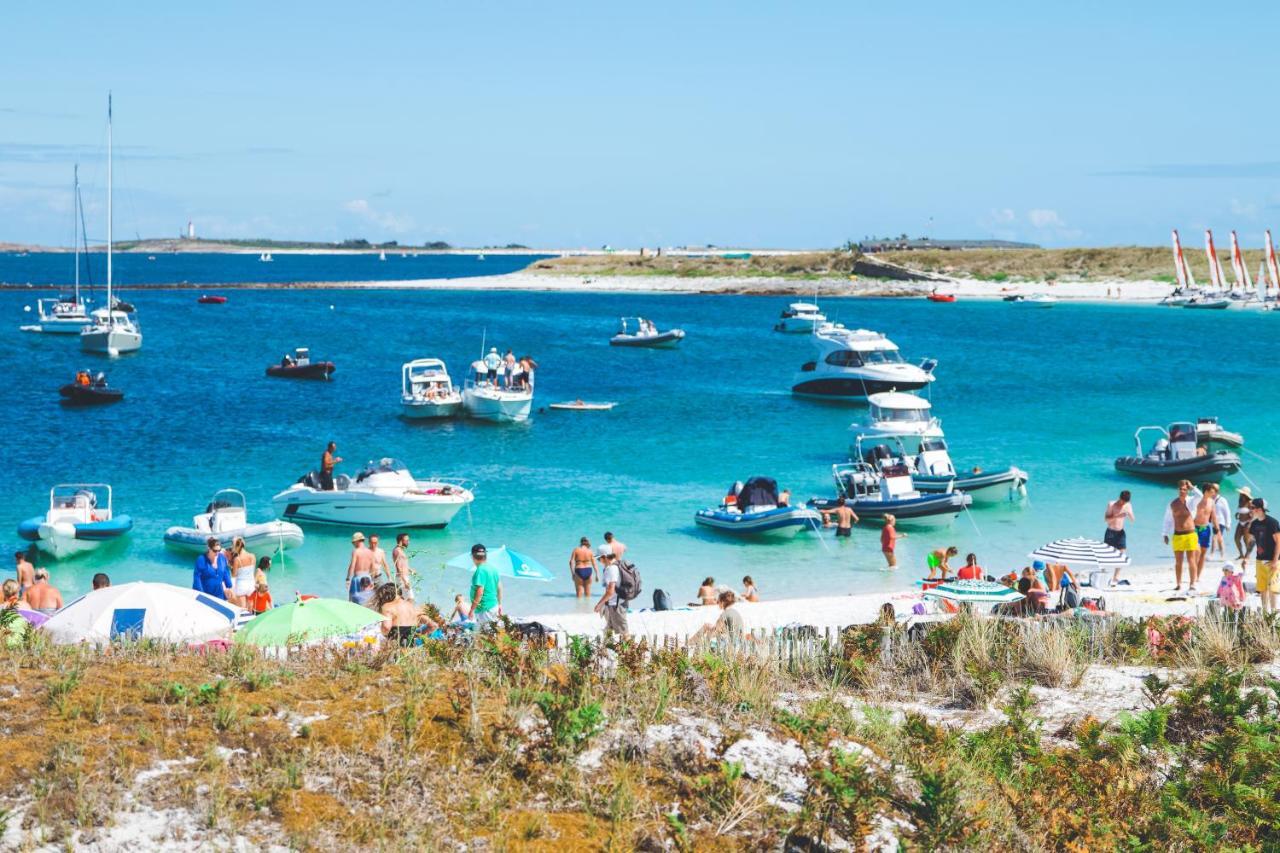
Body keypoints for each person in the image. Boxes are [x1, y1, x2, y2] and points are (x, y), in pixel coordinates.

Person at [1162, 480, 1201, 592]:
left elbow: (1200, 495)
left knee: (1191, 560)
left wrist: (1192, 486)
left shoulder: (1192, 501)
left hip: (1190, 534)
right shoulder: (1172, 504)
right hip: (1177, 535)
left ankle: (1192, 584)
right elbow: (1167, 520)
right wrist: (1164, 534)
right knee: (1178, 562)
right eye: (1180, 489)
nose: (1182, 491)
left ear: (1187, 491)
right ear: (1178, 490)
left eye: (1184, 489)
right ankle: (1178, 584)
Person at [372, 582, 438, 646]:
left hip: (393, 649)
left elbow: (386, 627)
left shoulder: (388, 607)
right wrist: (416, 635)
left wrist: (381, 638)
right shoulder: (414, 607)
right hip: (410, 651)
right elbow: (433, 625)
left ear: (385, 596)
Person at [1248, 498, 1280, 615]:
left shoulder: (1273, 523)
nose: (1251, 510)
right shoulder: (1254, 524)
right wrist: (1246, 557)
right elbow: (1251, 542)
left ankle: (1274, 613)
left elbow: (1278, 542)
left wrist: (1275, 561)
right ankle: (1265, 613)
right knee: (1262, 588)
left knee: (1273, 588)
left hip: (1273, 560)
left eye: (1253, 508)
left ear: (1260, 509)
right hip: (1259, 560)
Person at [594, 549, 627, 636]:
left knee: (623, 633)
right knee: (609, 630)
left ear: (604, 557)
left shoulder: (612, 569)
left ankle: (630, 649)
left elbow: (610, 591)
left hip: (616, 605)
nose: (599, 561)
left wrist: (599, 604)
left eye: (599, 559)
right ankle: (606, 648)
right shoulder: (617, 566)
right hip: (615, 603)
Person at [1104, 490, 1135, 583]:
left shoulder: (1128, 505)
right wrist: (1118, 516)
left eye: (1125, 502)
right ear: (1119, 498)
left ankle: (1115, 577)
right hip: (1110, 532)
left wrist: (1129, 514)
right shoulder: (1111, 504)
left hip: (1120, 532)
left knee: (1122, 555)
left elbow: (1133, 520)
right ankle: (1103, 574)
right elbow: (1106, 519)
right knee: (1105, 555)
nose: (1123, 504)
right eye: (1122, 501)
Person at [468, 543, 503, 625]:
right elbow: (499, 587)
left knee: (484, 634)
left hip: (484, 609)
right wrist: (500, 604)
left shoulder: (480, 571)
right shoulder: (493, 569)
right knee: (491, 633)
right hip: (494, 606)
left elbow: (480, 593)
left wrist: (472, 609)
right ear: (485, 556)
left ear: (472, 556)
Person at [1202, 483, 1231, 560]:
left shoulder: (1222, 500)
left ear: (1216, 491)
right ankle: (1222, 555)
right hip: (1213, 522)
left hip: (1221, 522)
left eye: (1213, 490)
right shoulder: (1210, 500)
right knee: (1219, 539)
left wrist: (1228, 524)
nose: (1212, 492)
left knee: (1215, 538)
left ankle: (1212, 554)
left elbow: (1227, 512)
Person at [345, 532, 376, 602]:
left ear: (357, 541)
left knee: (352, 602)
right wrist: (372, 580)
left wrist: (348, 579)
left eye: (353, 542)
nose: (353, 544)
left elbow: (352, 566)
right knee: (367, 601)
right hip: (368, 578)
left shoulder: (356, 551)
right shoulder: (370, 552)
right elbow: (373, 568)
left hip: (357, 579)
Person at [227, 537, 257, 609]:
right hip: (251, 584)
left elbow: (234, 575)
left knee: (242, 609)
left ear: (236, 546)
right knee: (250, 609)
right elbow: (252, 570)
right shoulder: (252, 556)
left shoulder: (237, 559)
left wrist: (230, 567)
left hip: (241, 585)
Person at [1235, 488, 1256, 563]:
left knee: (1246, 540)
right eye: (1240, 493)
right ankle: (1241, 554)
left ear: (1245, 495)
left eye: (1242, 494)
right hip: (1240, 522)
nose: (1240, 494)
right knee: (1236, 539)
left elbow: (1253, 514)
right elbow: (1240, 510)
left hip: (1247, 523)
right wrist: (1237, 514)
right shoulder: (1240, 501)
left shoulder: (1250, 502)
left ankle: (1247, 555)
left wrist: (1249, 523)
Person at [392, 533, 414, 600]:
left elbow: (402, 564)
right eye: (407, 540)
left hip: (403, 578)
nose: (408, 542)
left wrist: (410, 569)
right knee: (410, 599)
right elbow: (398, 567)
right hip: (402, 578)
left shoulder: (400, 550)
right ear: (401, 541)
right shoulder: (397, 551)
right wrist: (405, 581)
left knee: (406, 599)